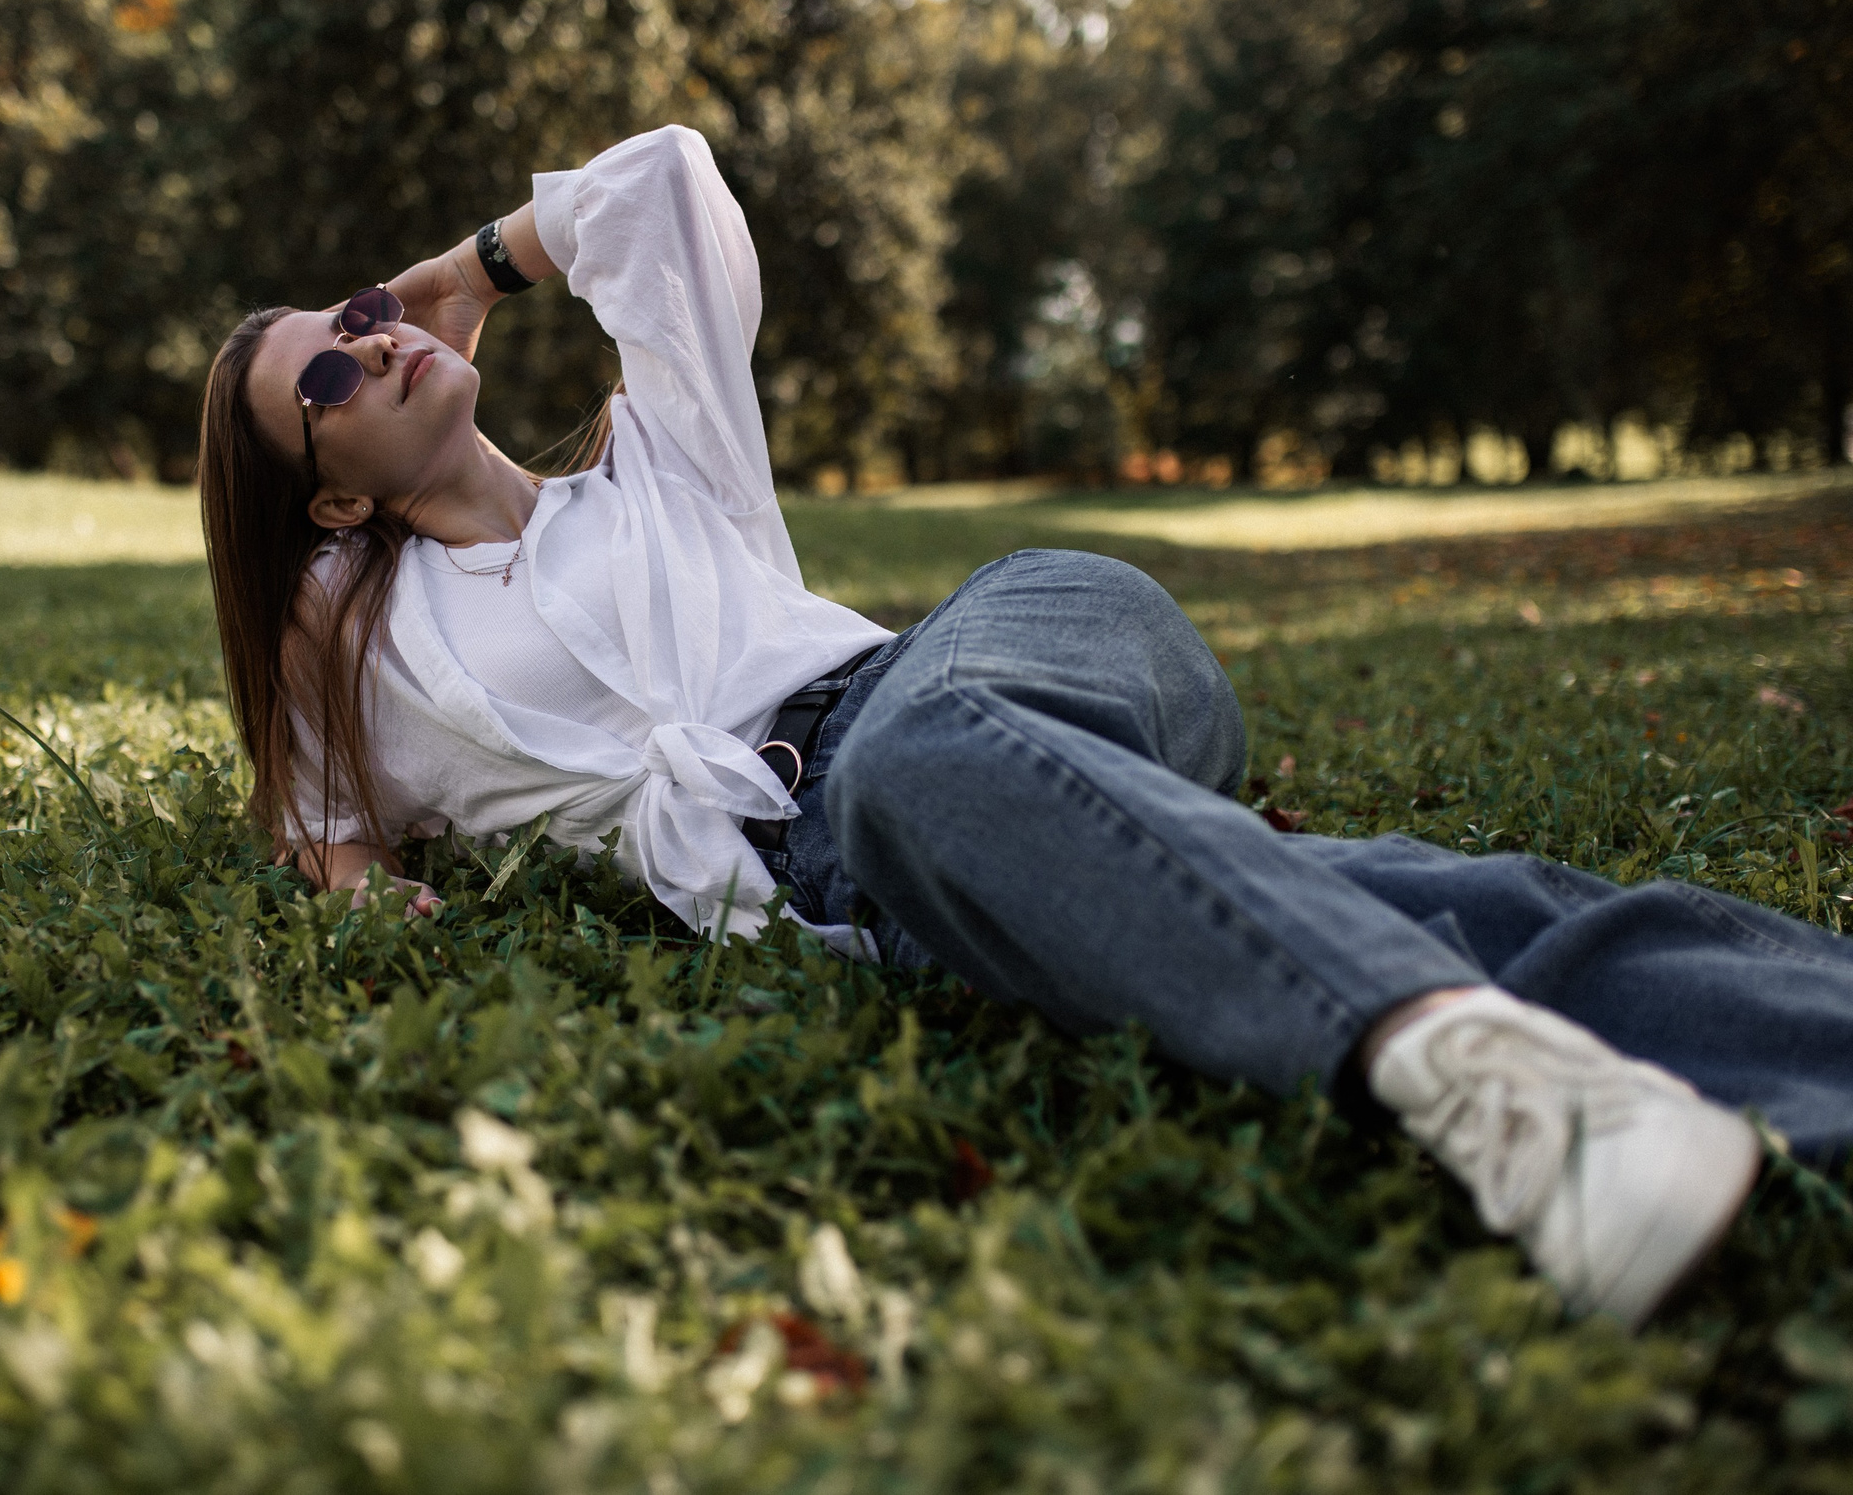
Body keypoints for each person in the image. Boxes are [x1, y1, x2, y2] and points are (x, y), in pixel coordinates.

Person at [198, 125, 1853, 1326]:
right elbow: (315, 812)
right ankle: (1575, 1070)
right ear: (330, 497)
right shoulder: (381, 652)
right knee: (1408, 899)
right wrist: (354, 892)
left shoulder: (662, 459)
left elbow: (665, 186)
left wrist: (471, 270)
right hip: (851, 867)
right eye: (326, 383)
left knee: (958, 709)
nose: (368, 344)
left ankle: (1447, 1073)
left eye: (353, 315)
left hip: (991, 661)